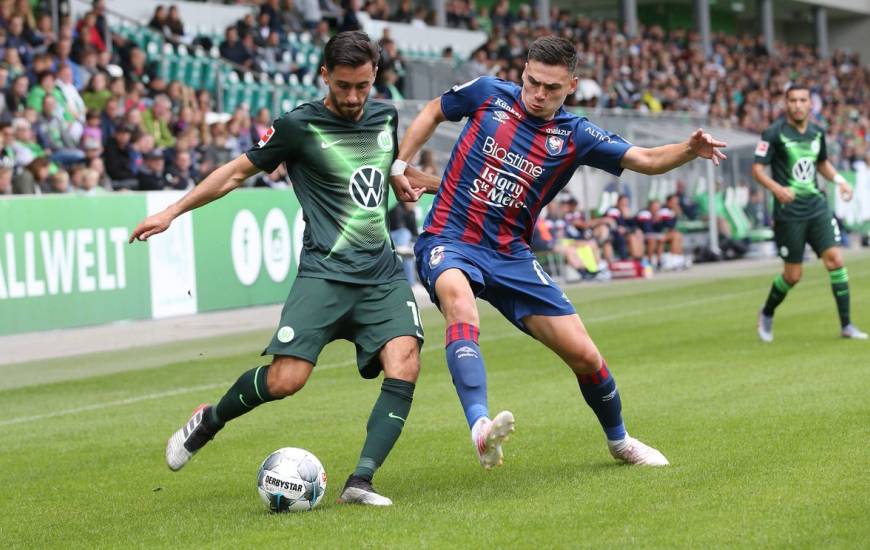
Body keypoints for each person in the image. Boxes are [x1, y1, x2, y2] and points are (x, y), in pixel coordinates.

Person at [130, 31, 438, 506]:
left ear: (374, 75)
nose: (354, 98)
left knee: (407, 361)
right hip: (324, 274)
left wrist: (431, 186)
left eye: (361, 85)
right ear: (323, 77)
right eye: (342, 87)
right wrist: (172, 211)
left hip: (380, 274)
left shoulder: (385, 116)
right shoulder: (296, 126)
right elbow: (234, 172)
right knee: (286, 380)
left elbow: (385, 174)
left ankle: (361, 481)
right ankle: (210, 419)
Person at [391, 36, 726, 469]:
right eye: (532, 82)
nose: (538, 93)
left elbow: (644, 157)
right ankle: (480, 429)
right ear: (524, 72)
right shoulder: (488, 94)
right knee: (460, 304)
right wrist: (401, 164)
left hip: (511, 255)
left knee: (585, 355)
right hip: (448, 239)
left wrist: (688, 150)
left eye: (551, 87)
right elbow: (435, 109)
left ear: (572, 84)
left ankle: (620, 440)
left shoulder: (577, 135)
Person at [751, 85, 866, 341]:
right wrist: (777, 188)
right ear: (786, 103)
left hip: (816, 206)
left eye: (803, 100)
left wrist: (839, 180)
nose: (798, 105)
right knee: (793, 276)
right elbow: (757, 170)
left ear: (809, 104)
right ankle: (767, 312)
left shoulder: (817, 132)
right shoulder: (773, 133)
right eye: (793, 100)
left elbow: (821, 162)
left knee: (835, 259)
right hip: (788, 213)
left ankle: (846, 325)